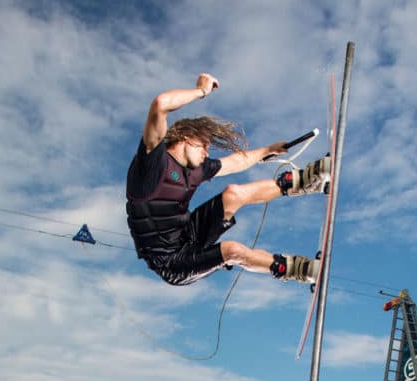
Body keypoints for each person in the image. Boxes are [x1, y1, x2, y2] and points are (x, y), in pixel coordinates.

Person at [125, 73, 331, 287]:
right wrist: (201, 91)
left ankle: (306, 181)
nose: (207, 151)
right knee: (232, 250)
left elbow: (233, 163)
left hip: (188, 234)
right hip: (170, 262)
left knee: (233, 193)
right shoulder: (152, 163)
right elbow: (160, 104)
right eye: (204, 144)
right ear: (186, 137)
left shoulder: (197, 169)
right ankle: (298, 269)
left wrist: (267, 150)